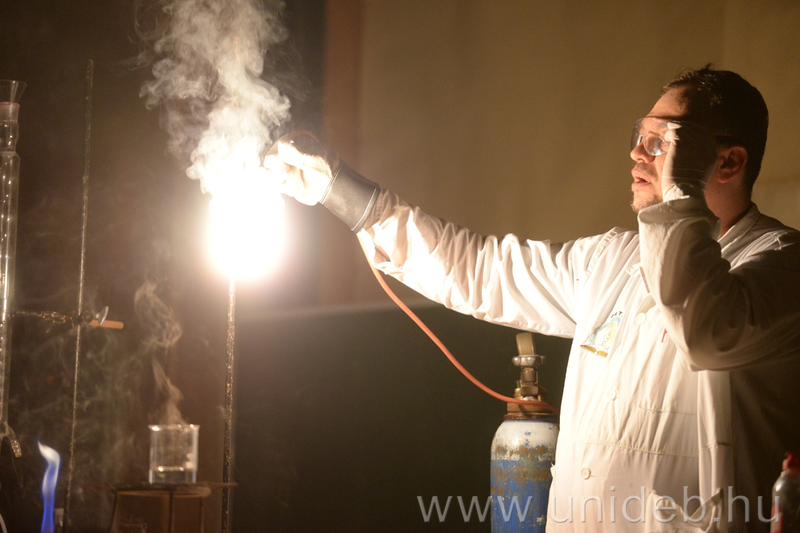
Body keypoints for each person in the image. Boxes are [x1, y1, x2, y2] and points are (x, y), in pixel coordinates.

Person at [265, 66, 800, 532]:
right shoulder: (613, 260)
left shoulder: (781, 264)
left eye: (663, 142)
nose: (637, 152)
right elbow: (479, 269)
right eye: (641, 134)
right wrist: (341, 190)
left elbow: (705, 329)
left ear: (727, 163)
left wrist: (679, 193)